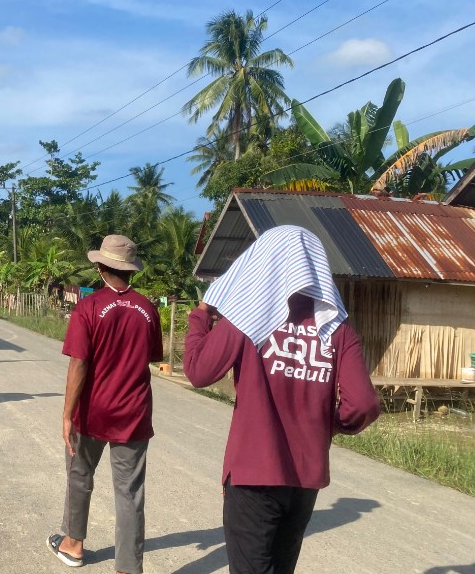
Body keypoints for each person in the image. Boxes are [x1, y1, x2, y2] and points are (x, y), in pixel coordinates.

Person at [182, 225, 381, 574]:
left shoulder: (247, 317)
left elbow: (198, 372)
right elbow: (363, 404)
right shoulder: (335, 327)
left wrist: (200, 316)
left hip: (253, 475)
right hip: (305, 480)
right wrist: (327, 427)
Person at [47, 234, 163, 574]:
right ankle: (127, 567)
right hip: (134, 412)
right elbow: (150, 358)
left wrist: (67, 414)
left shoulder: (89, 307)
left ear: (100, 267)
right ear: (130, 271)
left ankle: (73, 545)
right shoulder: (148, 309)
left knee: (80, 474)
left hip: (94, 410)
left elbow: (79, 364)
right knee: (130, 492)